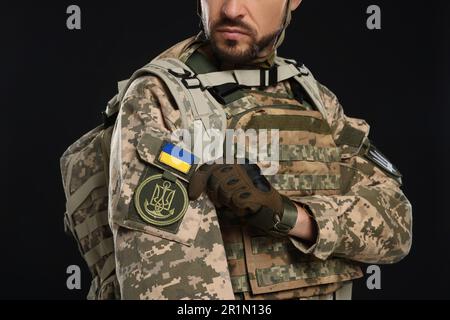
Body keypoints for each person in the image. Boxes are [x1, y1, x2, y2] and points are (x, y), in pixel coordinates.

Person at [66, 0, 413, 300]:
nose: (231, 10)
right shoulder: (162, 97)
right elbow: (174, 289)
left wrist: (290, 216)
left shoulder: (312, 97)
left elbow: (397, 228)